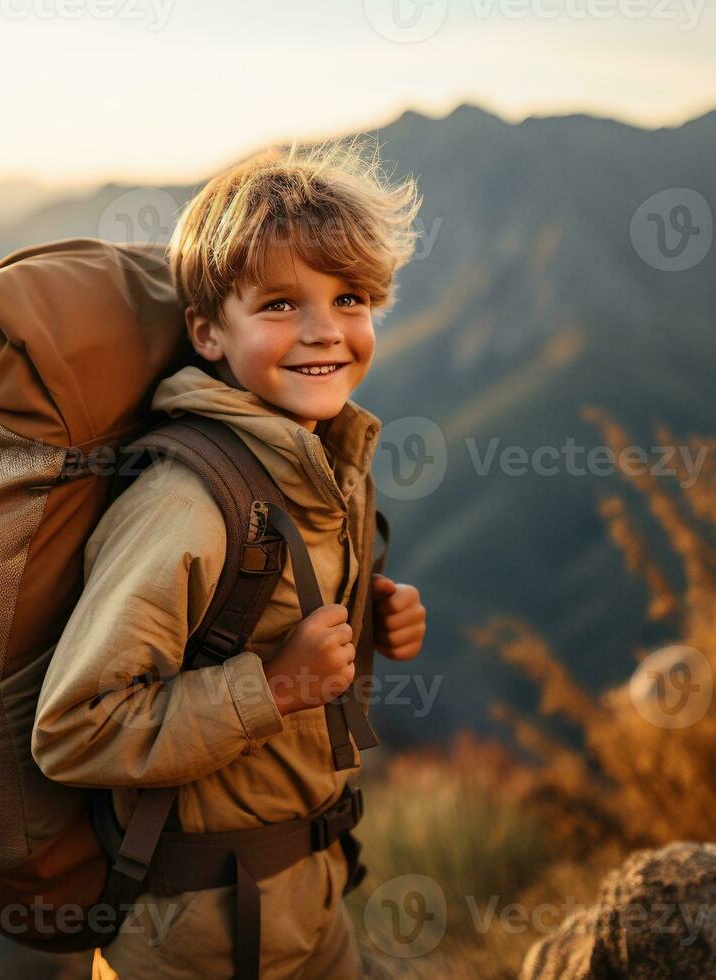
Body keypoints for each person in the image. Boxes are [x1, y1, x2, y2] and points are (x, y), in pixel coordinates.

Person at [31, 136, 429, 979]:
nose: (326, 331)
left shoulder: (321, 456)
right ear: (209, 333)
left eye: (350, 297)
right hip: (198, 937)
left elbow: (259, 618)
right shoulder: (185, 506)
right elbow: (74, 730)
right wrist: (276, 686)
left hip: (312, 896)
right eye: (281, 305)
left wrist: (370, 611)